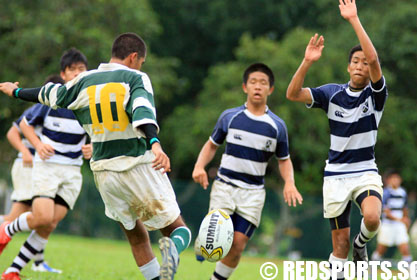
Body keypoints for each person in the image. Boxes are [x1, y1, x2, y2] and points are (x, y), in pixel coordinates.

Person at [0, 33, 191, 280]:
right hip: (137, 164)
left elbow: (49, 94)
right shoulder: (135, 77)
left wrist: (16, 92)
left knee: (136, 237)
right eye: (141, 61)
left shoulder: (84, 80)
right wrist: (155, 143)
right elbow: (142, 112)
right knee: (179, 230)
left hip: (104, 173)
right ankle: (172, 250)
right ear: (134, 57)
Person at [285, 0, 387, 278]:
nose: (361, 66)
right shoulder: (332, 94)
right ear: (348, 67)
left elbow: (375, 59)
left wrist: (354, 19)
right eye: (355, 61)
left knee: (372, 218)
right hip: (335, 174)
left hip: (365, 170)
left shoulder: (375, 96)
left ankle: (361, 244)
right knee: (338, 247)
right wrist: (306, 62)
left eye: (365, 63)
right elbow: (292, 94)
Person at [192, 63, 302, 280]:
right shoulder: (230, 117)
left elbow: (284, 160)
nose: (258, 87)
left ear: (270, 89)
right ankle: (205, 240)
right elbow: (212, 145)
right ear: (245, 87)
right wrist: (199, 166)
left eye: (263, 83)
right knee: (217, 239)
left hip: (252, 193)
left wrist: (290, 182)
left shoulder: (277, 126)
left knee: (238, 245)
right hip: (225, 186)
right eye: (253, 82)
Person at [0, 49, 92, 280]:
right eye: (73, 70)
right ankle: (6, 229)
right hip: (47, 167)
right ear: (63, 74)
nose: (78, 74)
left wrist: (94, 148)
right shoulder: (52, 99)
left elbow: (98, 135)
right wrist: (37, 145)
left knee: (48, 224)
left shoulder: (89, 104)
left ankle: (12, 271)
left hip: (73, 171)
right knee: (40, 217)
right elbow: (23, 125)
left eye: (82, 69)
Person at [0, 75, 65, 275]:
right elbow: (12, 132)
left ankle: (38, 262)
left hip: (40, 167)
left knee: (43, 216)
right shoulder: (37, 108)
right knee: (19, 216)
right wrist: (26, 151)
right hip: (26, 166)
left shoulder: (59, 112)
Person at [371, 170, 412, 263]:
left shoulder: (402, 192)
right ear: (388, 180)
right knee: (381, 248)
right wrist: (400, 219)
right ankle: (372, 267)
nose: (396, 180)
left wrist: (406, 220)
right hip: (388, 225)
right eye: (393, 178)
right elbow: (385, 212)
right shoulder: (386, 193)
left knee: (405, 248)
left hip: (399, 225)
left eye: (397, 178)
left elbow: (405, 208)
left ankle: (410, 272)